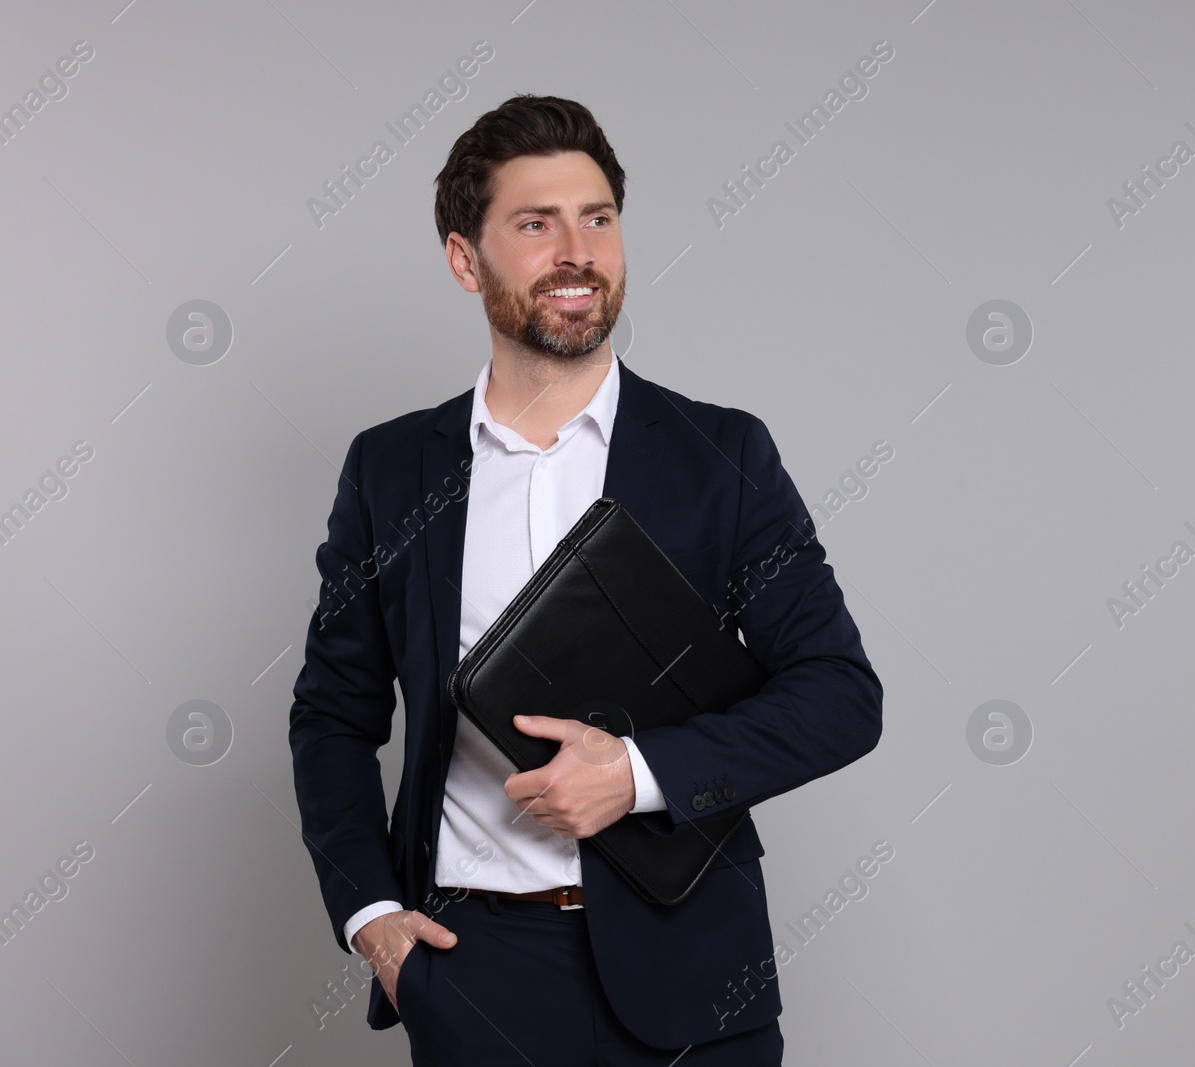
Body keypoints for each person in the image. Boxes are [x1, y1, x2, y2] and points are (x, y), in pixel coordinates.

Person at [287, 95, 883, 1066]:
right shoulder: (391, 471)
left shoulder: (718, 455)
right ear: (463, 259)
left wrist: (639, 775)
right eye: (536, 223)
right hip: (473, 971)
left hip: (692, 970)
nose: (578, 250)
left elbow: (838, 697)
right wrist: (372, 917)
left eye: (597, 217)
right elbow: (332, 715)